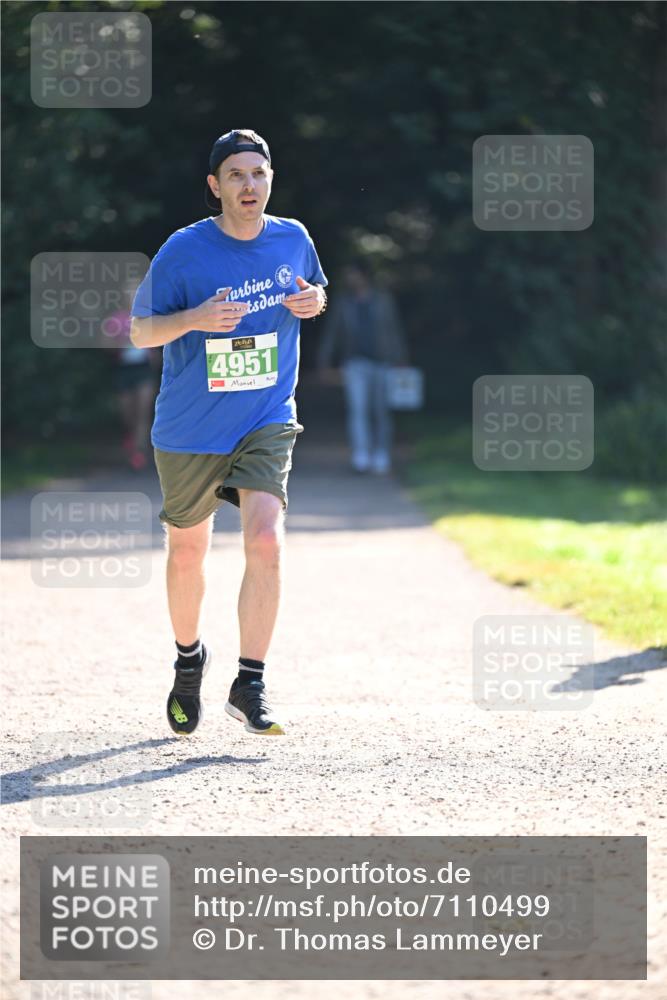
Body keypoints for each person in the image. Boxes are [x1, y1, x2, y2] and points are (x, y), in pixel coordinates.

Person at [130, 128, 327, 737]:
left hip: (265, 415)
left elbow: (313, 292)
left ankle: (251, 681)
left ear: (271, 181)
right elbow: (140, 333)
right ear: (216, 186)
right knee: (188, 549)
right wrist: (194, 318)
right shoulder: (183, 251)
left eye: (259, 174)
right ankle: (189, 660)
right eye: (237, 175)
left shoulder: (293, 238)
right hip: (191, 425)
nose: (250, 185)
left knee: (265, 540)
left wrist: (312, 304)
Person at [317, 261, 408, 474]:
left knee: (381, 410)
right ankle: (361, 454)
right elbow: (333, 333)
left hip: (382, 362)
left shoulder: (383, 299)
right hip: (355, 363)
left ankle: (381, 453)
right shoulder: (343, 302)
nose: (351, 279)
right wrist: (325, 360)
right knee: (358, 410)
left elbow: (394, 330)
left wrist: (401, 358)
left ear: (364, 276)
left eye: (354, 274)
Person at [105, 278, 160, 470]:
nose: (132, 297)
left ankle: (138, 453)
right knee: (128, 413)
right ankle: (130, 437)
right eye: (129, 293)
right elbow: (106, 346)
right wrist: (121, 341)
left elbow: (159, 343)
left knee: (143, 411)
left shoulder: (147, 317)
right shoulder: (115, 320)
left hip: (143, 369)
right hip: (124, 371)